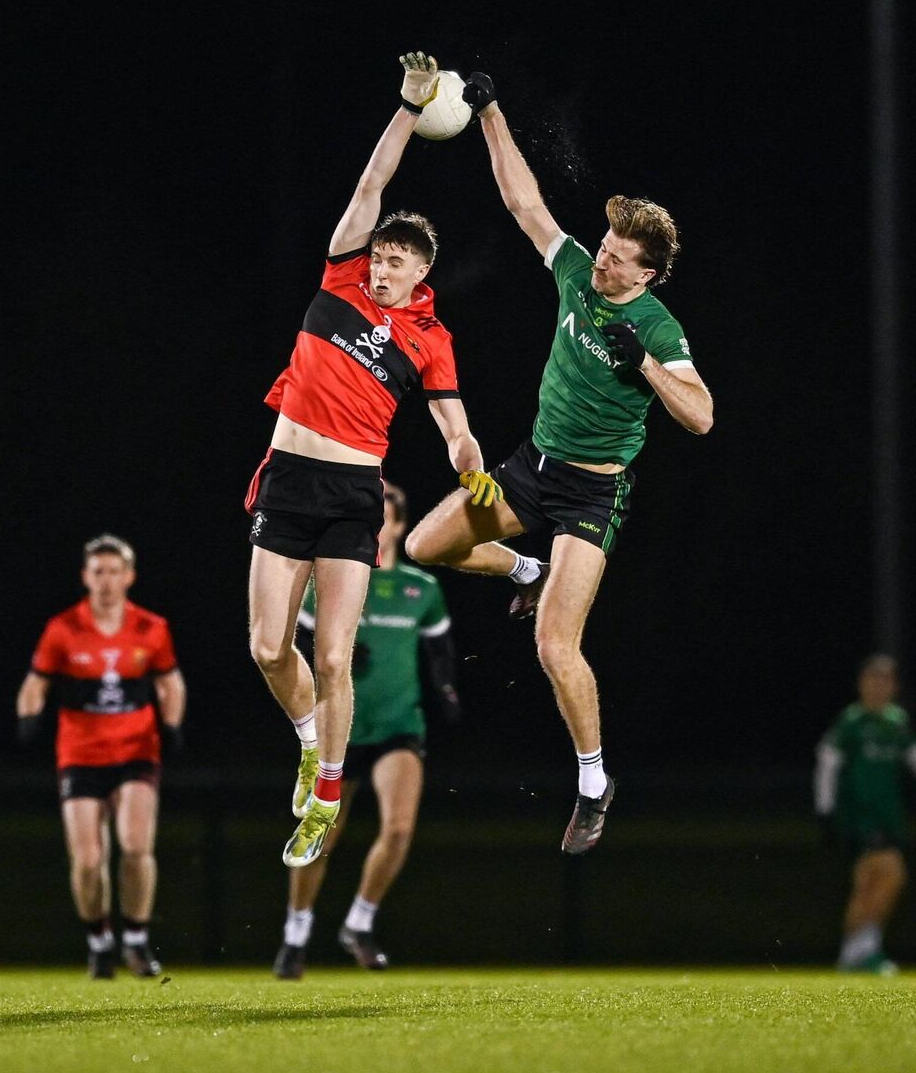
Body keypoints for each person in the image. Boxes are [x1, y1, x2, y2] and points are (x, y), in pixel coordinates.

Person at [405, 70, 714, 855]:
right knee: (421, 546)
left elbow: (703, 416)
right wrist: (489, 111)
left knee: (553, 646)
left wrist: (644, 363)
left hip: (589, 498)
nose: (604, 265)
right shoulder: (578, 271)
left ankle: (592, 782)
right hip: (529, 470)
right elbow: (523, 201)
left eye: (618, 262)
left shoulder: (657, 323)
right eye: (605, 251)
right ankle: (522, 572)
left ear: (648, 274)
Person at [246, 51, 499, 871]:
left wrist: (471, 465)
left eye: (398, 261)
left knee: (332, 655)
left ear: (423, 272)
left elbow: (454, 426)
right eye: (381, 256)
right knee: (266, 647)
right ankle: (310, 739)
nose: (384, 268)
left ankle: (325, 795)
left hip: (355, 492)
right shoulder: (340, 278)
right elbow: (369, 188)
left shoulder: (430, 340)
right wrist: (407, 107)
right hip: (288, 478)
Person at [272, 482, 459, 978]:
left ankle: (359, 922)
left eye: (387, 516)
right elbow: (297, 648)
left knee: (398, 829)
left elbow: (440, 653)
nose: (379, 524)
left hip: (399, 725)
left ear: (398, 524)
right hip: (341, 732)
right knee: (323, 837)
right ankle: (295, 935)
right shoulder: (333, 580)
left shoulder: (423, 589)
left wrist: (447, 694)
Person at [15, 534, 186, 980]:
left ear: (129, 577)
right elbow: (36, 682)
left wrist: (172, 725)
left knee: (134, 846)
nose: (106, 581)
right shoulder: (63, 628)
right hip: (80, 753)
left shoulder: (151, 628)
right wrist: (28, 717)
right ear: (85, 577)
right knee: (89, 860)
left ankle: (136, 937)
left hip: (135, 750)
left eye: (114, 572)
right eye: (98, 572)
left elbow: (170, 683)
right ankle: (98, 940)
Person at [813, 652, 916, 974]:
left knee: (866, 883)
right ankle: (865, 949)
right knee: (893, 873)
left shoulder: (896, 722)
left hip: (888, 815)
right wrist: (825, 810)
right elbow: (827, 763)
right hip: (860, 814)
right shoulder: (851, 722)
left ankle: (850, 955)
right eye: (872, 679)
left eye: (885, 681)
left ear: (894, 686)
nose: (878, 687)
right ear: (860, 684)